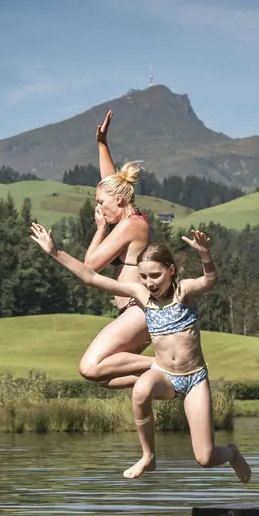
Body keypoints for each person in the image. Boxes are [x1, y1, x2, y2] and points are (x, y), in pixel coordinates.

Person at [30, 223, 252, 482]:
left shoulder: (184, 292)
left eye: (155, 276)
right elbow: (91, 277)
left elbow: (210, 280)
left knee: (205, 457)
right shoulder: (141, 295)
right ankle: (148, 456)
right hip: (164, 376)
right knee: (140, 390)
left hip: (194, 380)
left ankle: (232, 453)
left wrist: (205, 254)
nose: (149, 283)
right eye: (144, 277)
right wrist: (55, 251)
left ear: (171, 270)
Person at [75, 110, 155, 389]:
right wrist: (102, 144)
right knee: (106, 378)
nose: (98, 207)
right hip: (132, 313)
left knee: (90, 366)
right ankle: (170, 375)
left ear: (119, 200)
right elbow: (110, 181)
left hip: (139, 310)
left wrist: (99, 229)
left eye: (100, 202)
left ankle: (171, 363)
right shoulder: (131, 216)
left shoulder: (130, 226)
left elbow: (91, 266)